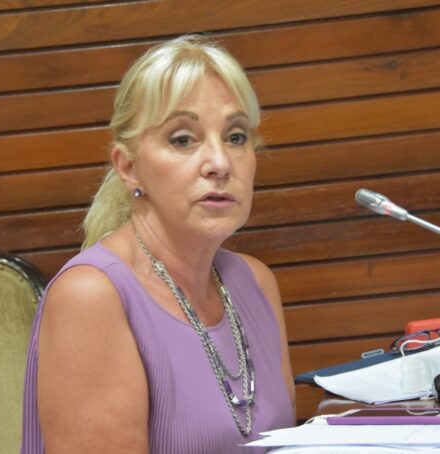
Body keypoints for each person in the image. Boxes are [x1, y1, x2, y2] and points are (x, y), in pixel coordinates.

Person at [21, 35, 296, 453]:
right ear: (128, 167)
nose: (220, 163)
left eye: (236, 137)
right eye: (183, 139)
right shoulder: (91, 296)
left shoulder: (255, 282)